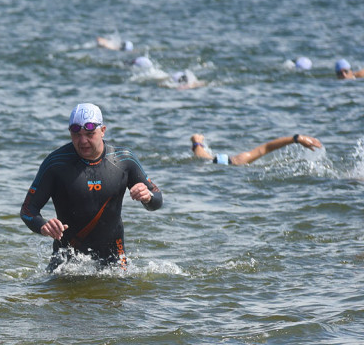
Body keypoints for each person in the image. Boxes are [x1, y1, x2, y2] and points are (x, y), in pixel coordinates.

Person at [20, 103, 163, 271]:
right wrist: (43, 226)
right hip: (67, 262)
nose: (83, 141)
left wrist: (148, 197)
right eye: (76, 134)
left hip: (114, 261)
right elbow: (28, 210)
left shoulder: (124, 160)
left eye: (89, 134)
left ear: (103, 130)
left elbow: (157, 199)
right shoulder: (56, 163)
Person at [190, 133, 322, 165]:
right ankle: (197, 141)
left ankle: (197, 142)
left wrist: (296, 138)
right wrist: (296, 138)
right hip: (229, 163)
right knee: (201, 156)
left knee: (202, 156)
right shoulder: (240, 161)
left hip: (226, 163)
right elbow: (266, 148)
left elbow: (266, 148)